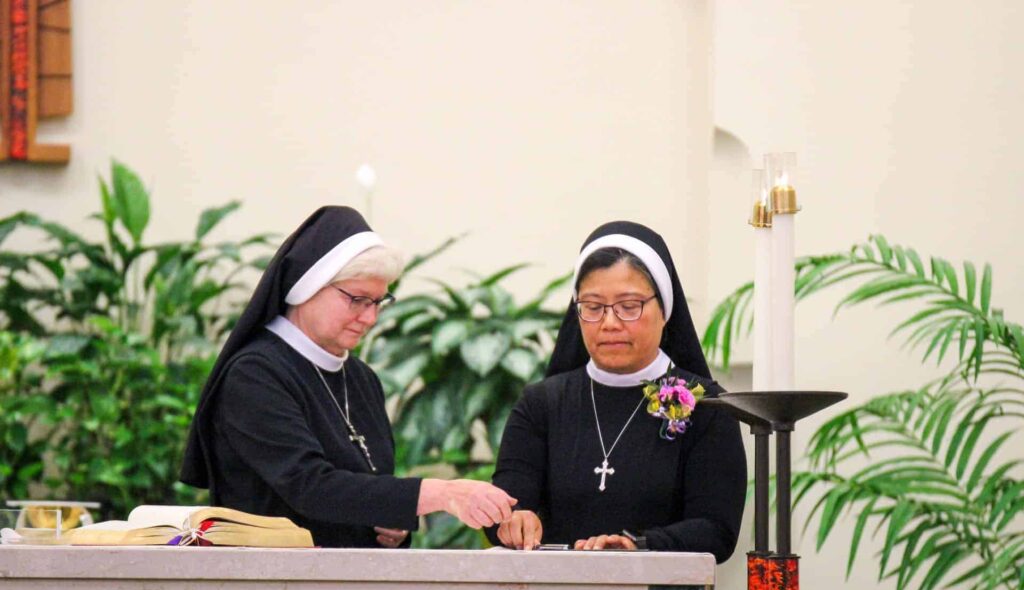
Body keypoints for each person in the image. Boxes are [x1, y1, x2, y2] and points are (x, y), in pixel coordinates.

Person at [181, 206, 515, 547]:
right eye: (357, 299)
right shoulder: (255, 374)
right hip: (268, 572)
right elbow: (308, 486)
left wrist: (391, 524)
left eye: (378, 302)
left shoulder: (361, 379)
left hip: (353, 573)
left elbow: (367, 488)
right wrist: (438, 493)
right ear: (307, 287)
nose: (370, 318)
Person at [488, 221, 746, 556]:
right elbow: (503, 506)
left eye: (629, 306)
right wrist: (513, 520)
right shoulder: (541, 404)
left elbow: (716, 529)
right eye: (593, 307)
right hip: (553, 588)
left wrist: (637, 547)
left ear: (664, 310)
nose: (609, 323)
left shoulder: (707, 406)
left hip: (661, 588)